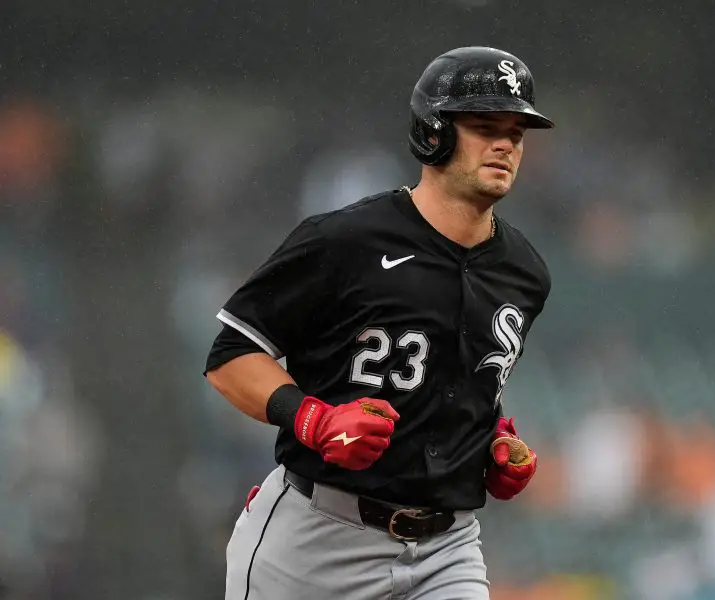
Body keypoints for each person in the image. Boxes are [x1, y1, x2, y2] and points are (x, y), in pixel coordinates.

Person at [204, 45, 555, 600]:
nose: (506, 143)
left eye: (517, 130)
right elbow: (230, 356)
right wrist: (314, 420)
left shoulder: (524, 272)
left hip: (447, 548)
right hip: (317, 539)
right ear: (433, 131)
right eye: (485, 124)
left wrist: (489, 442)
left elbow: (460, 382)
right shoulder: (347, 241)